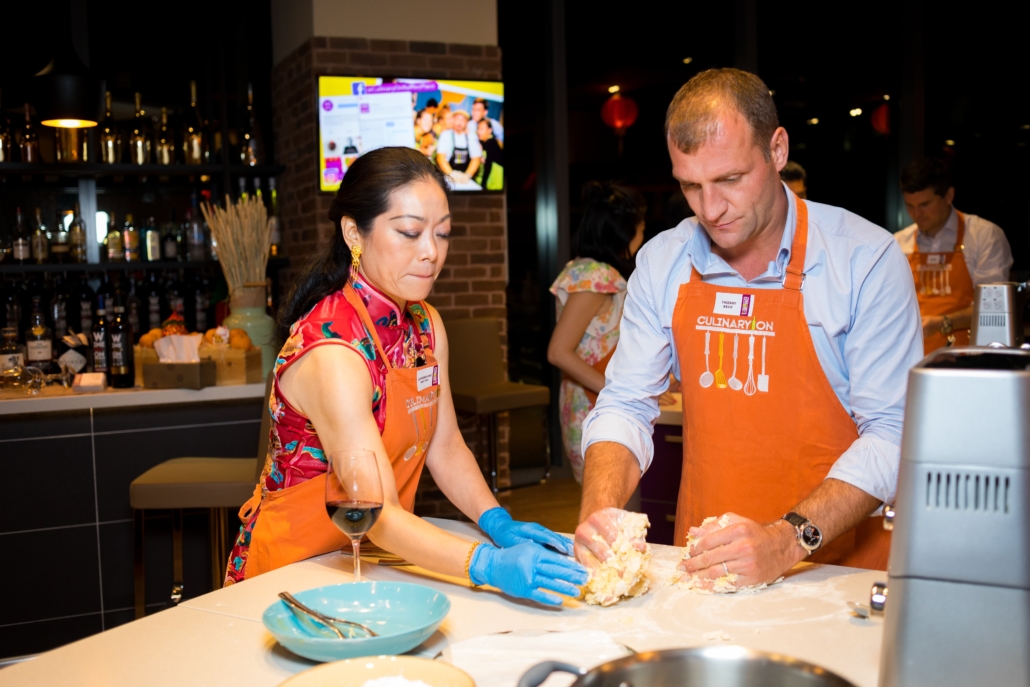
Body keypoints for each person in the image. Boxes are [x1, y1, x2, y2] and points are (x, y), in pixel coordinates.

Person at [575, 69, 922, 588]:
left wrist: (786, 540)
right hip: (706, 568)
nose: (710, 209)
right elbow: (625, 404)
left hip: (837, 572)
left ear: (777, 149)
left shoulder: (864, 260)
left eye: (730, 180)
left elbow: (893, 434)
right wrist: (598, 513)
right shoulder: (664, 260)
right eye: (690, 186)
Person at [224, 147, 587, 606]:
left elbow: (445, 445)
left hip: (374, 560)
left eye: (443, 233)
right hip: (290, 572)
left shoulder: (425, 324)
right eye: (410, 233)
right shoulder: (333, 351)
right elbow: (377, 513)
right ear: (353, 233)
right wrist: (485, 564)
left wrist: (496, 521)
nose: (431, 252)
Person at [547, 182, 645, 483]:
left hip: (586, 397)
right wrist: (614, 389)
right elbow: (558, 352)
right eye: (641, 229)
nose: (643, 237)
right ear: (623, 233)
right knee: (607, 495)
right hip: (592, 400)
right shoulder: (596, 277)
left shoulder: (585, 269)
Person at [894, 158, 1013, 353]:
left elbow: (993, 308)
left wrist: (944, 322)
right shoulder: (899, 243)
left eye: (924, 204)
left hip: (971, 356)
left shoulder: (984, 236)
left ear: (949, 195)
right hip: (913, 357)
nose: (916, 213)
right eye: (909, 205)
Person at [436, 109, 481, 184]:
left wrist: (467, 175)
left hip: (466, 179)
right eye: (457, 119)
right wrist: (452, 174)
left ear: (467, 122)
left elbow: (476, 159)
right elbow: (440, 158)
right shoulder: (445, 135)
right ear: (453, 120)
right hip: (447, 176)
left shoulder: (472, 137)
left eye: (463, 120)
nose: (459, 122)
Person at [474, 119, 504, 190]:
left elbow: (488, 165)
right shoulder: (486, 142)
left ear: (490, 130)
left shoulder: (490, 143)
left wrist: (482, 185)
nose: (479, 131)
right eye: (478, 128)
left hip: (494, 181)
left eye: (481, 129)